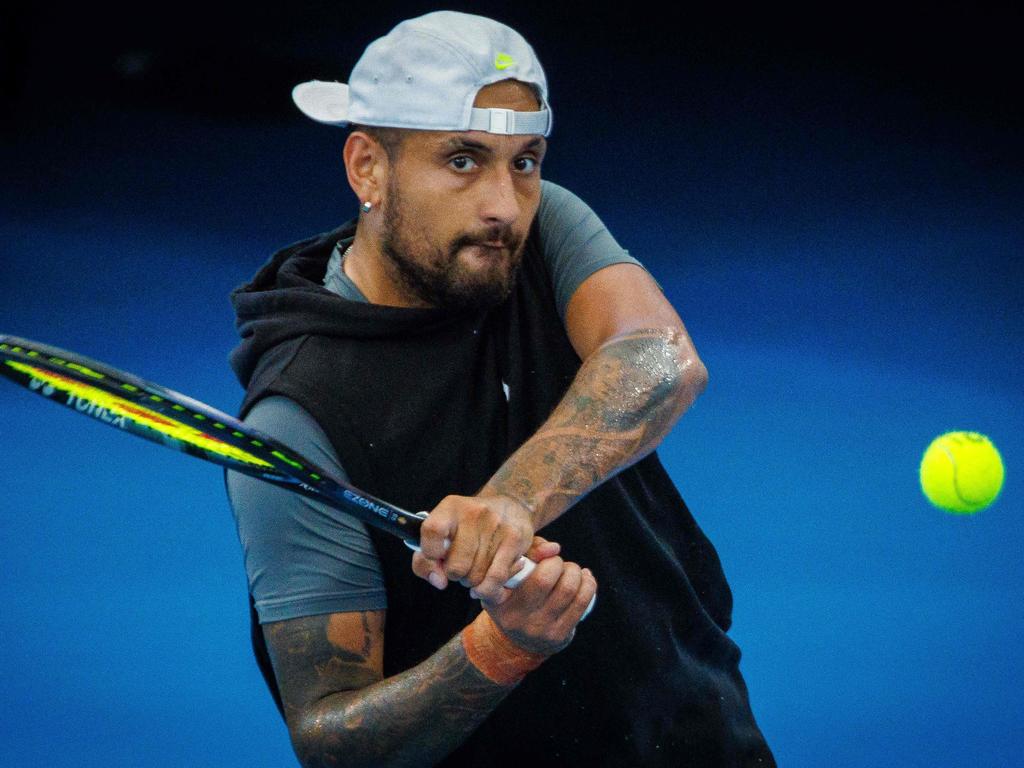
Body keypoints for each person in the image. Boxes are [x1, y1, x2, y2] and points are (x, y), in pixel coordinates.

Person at [226, 10, 775, 767]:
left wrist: (511, 502)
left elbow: (662, 359)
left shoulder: (544, 229)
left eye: (525, 160)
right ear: (367, 170)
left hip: (695, 737)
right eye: (462, 160)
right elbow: (332, 740)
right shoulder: (297, 417)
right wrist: (500, 648)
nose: (504, 205)